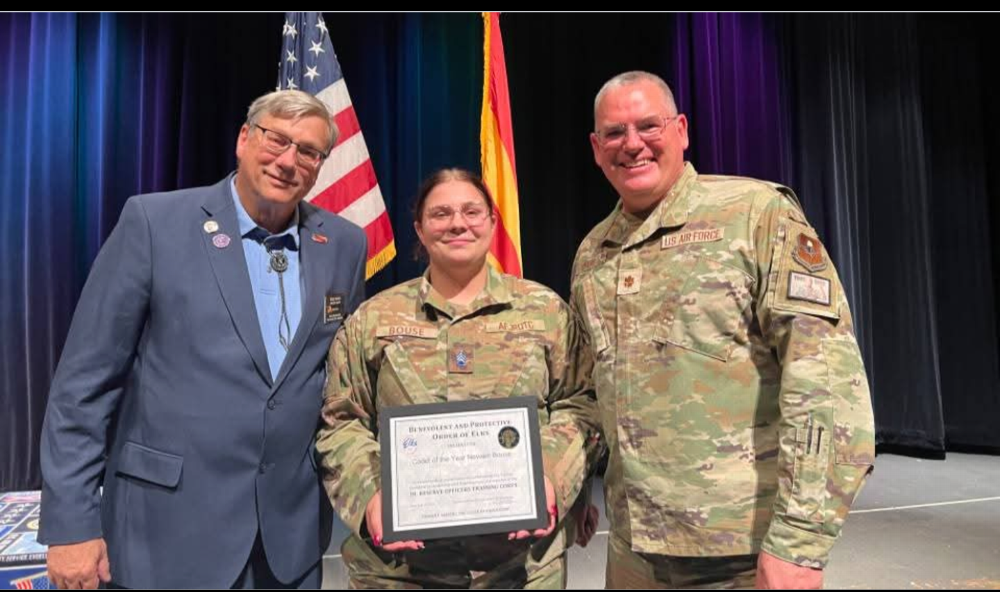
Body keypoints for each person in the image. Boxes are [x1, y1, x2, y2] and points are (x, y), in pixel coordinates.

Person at [38, 89, 368, 589]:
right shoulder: (155, 222)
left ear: (321, 164)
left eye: (308, 151)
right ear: (243, 139)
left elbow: (339, 381)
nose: (287, 161)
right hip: (166, 531)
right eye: (276, 140)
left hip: (288, 540)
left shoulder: (343, 242)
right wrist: (70, 525)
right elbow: (83, 386)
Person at [570, 70, 875, 589]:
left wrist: (799, 544)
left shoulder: (755, 214)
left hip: (739, 553)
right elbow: (591, 393)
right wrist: (576, 488)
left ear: (682, 130)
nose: (633, 144)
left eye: (649, 125)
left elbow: (824, 383)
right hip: (633, 552)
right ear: (597, 149)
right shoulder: (594, 254)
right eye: (615, 134)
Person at [316, 168, 602, 588]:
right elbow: (341, 420)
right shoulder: (374, 320)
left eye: (471, 211)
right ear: (419, 227)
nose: (457, 223)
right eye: (441, 213)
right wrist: (370, 498)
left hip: (520, 568)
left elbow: (583, 404)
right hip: (401, 572)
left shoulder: (545, 312)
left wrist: (551, 478)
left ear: (491, 220)